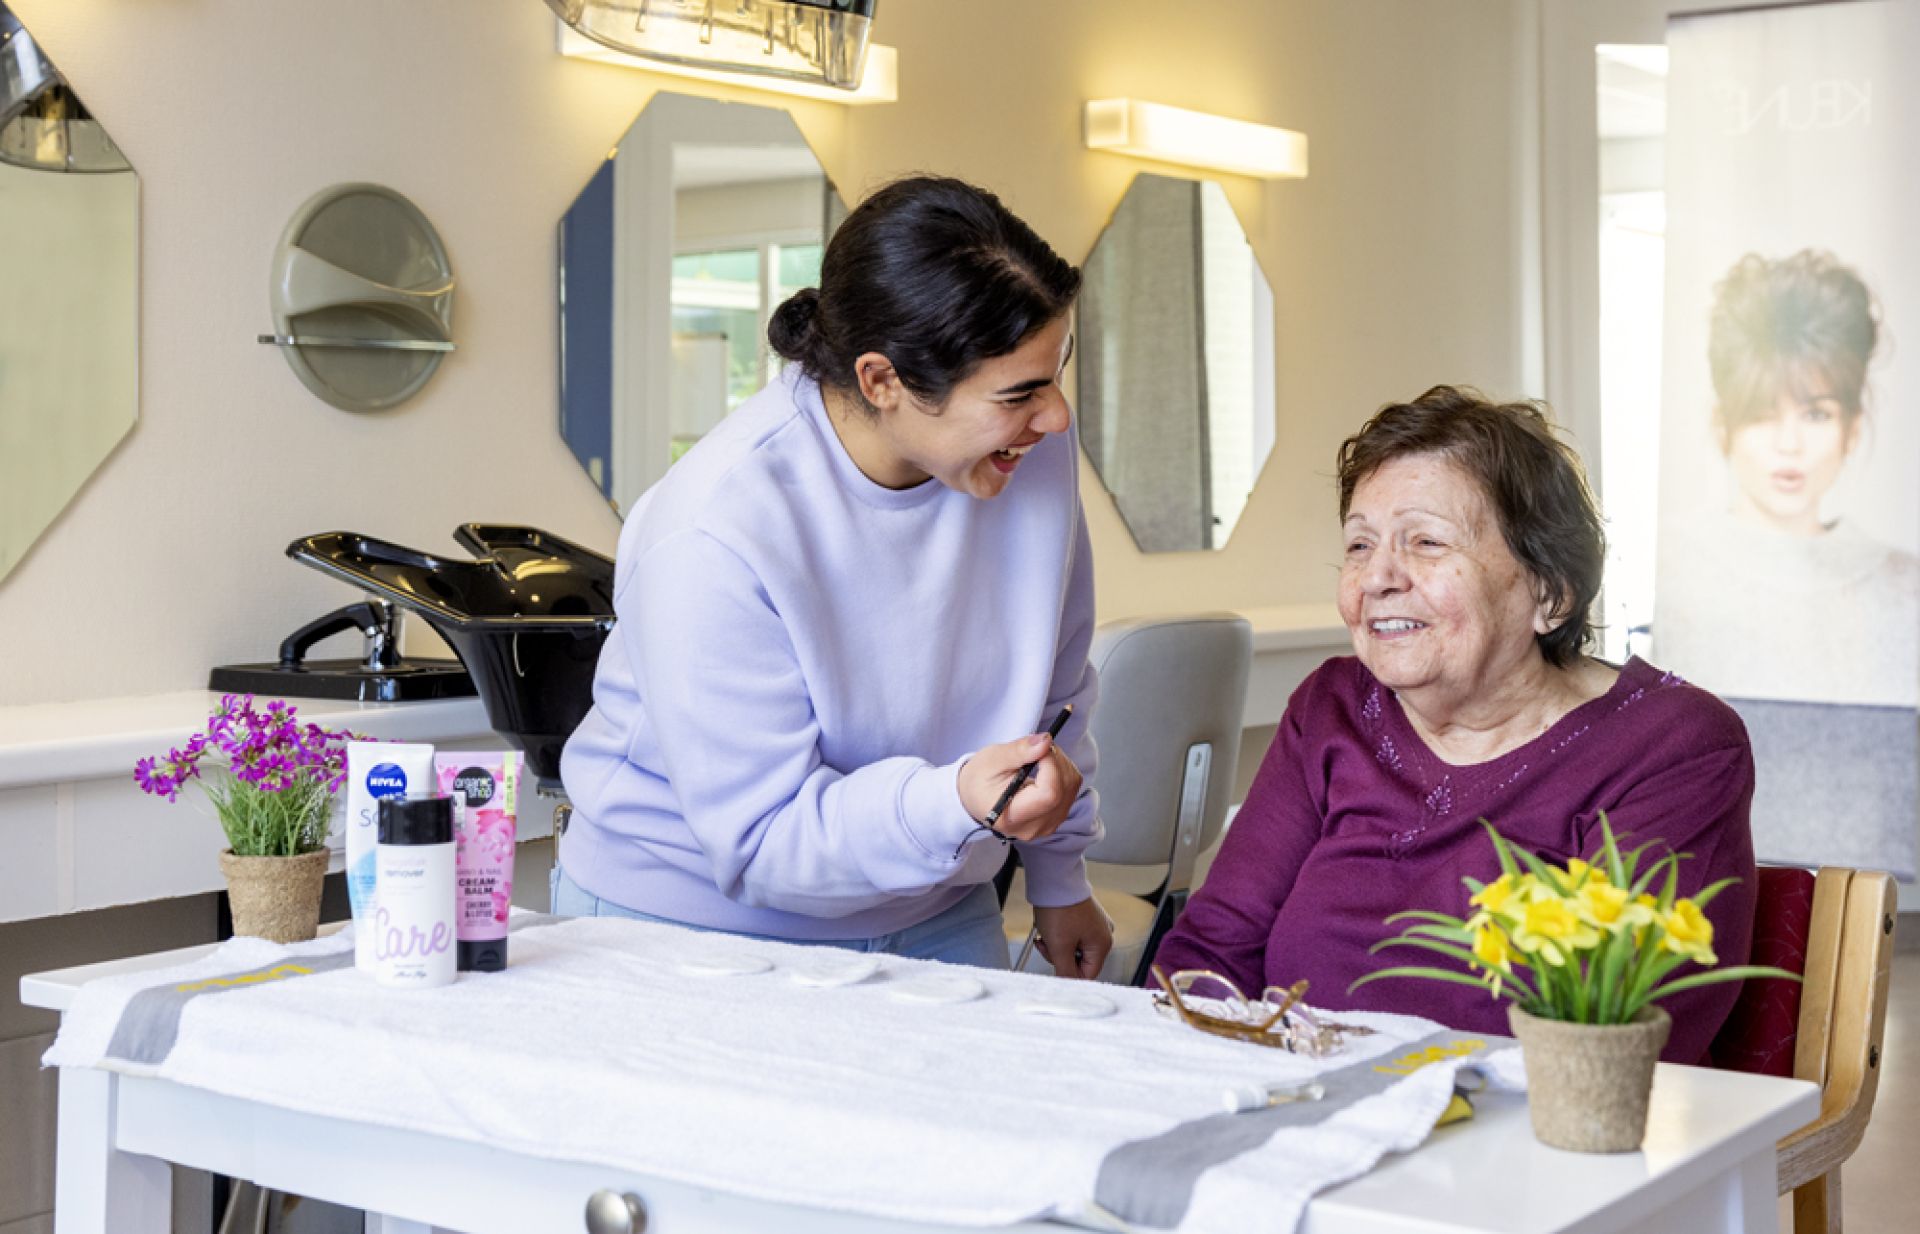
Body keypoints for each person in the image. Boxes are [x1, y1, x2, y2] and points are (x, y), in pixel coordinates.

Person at [554, 175, 1114, 977]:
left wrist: (1061, 878)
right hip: (693, 927)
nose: (1055, 415)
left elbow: (1057, 690)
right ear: (882, 380)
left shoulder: (1026, 453)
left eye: (1055, 375)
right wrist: (952, 800)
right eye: (1020, 392)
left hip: (940, 901)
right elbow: (761, 841)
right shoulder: (715, 528)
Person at [1151, 386, 1757, 1063]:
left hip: (1529, 1143)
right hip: (1297, 1117)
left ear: (1549, 593)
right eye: (1359, 544)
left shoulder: (1671, 746)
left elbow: (1628, 1025)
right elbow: (1209, 953)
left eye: (1426, 542)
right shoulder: (1331, 710)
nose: (1378, 576)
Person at [1654, 249, 1919, 708]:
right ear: (1723, 426)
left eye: (1816, 413)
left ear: (1851, 429)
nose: (1789, 443)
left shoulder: (1905, 587)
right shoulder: (1674, 569)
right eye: (1762, 414)